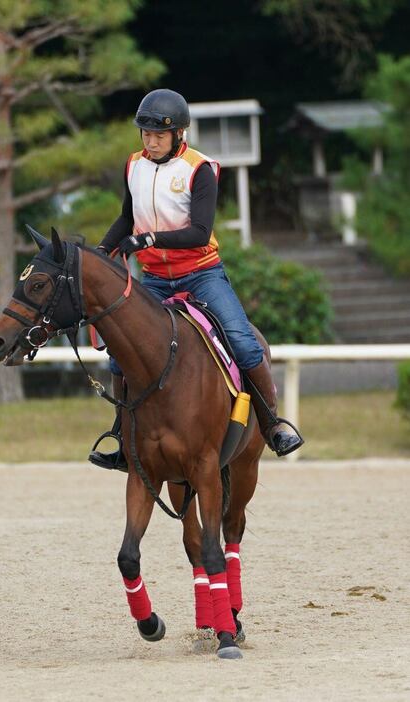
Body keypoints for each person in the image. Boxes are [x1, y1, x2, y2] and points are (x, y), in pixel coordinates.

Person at [89, 88, 303, 470]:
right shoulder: (133, 166)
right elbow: (127, 217)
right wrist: (102, 251)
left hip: (201, 274)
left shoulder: (200, 169)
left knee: (243, 342)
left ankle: (273, 425)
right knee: (122, 352)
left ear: (179, 135)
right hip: (154, 278)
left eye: (159, 136)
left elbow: (201, 232)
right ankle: (122, 436)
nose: (150, 142)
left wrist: (150, 238)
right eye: (146, 134)